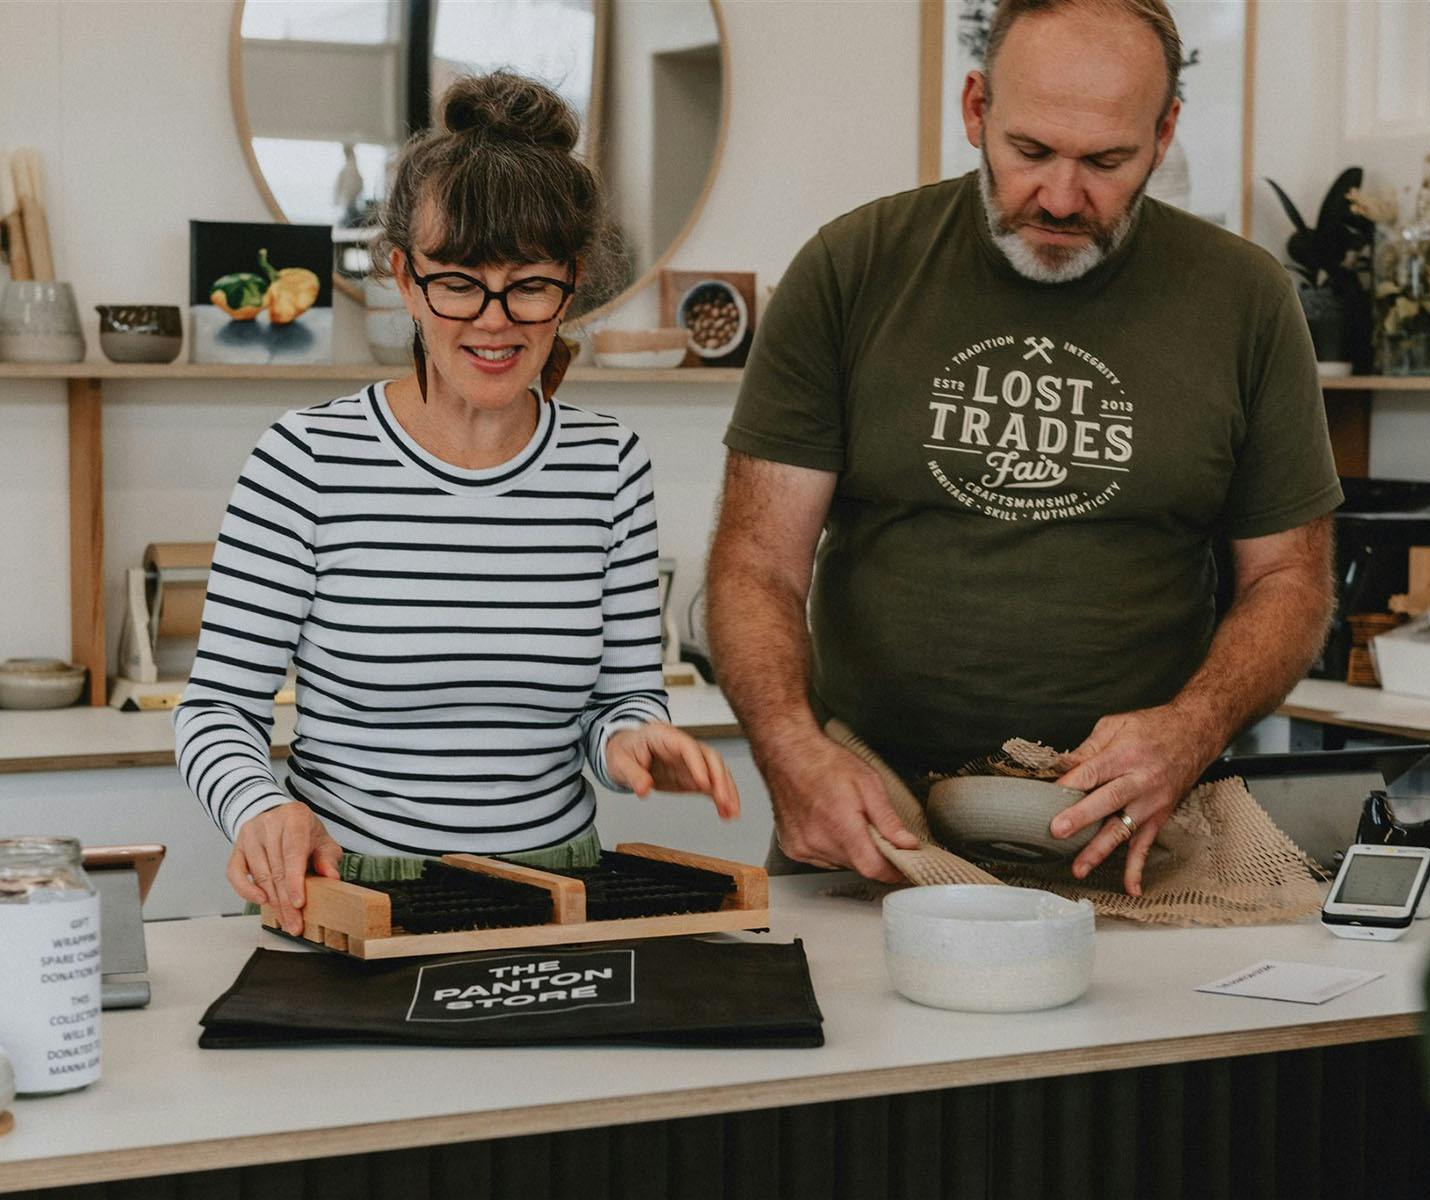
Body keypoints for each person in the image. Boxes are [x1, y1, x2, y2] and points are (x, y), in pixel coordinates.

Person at [707, 0, 1336, 896]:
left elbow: (1289, 579)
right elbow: (757, 562)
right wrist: (789, 749)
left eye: (1107, 162)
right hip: (874, 825)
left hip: (1139, 831)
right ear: (976, 109)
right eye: (1030, 151)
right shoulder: (852, 269)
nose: (1062, 197)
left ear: (1164, 134)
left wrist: (1193, 727)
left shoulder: (1246, 299)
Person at [176, 71, 737, 936]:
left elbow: (619, 703)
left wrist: (633, 740)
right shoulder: (306, 459)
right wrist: (260, 808)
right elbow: (216, 711)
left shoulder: (610, 465)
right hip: (353, 898)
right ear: (406, 278)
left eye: (529, 284)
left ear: (571, 282)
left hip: (557, 900)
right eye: (460, 281)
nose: (494, 319)